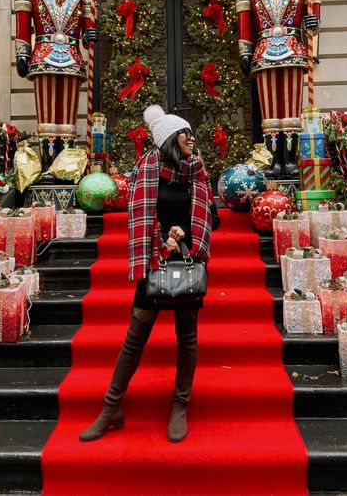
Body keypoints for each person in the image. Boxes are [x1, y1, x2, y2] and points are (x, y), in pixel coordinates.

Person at [79, 105, 219, 444]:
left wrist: (183, 234)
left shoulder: (197, 171)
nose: (192, 138)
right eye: (186, 133)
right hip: (155, 261)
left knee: (187, 337)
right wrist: (161, 240)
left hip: (185, 263)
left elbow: (212, 218)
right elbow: (138, 221)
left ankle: (180, 406)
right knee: (135, 334)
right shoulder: (146, 171)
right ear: (171, 138)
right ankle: (111, 407)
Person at [234, 0, 321, 177]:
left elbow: (314, 25)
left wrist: (313, 25)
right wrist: (245, 52)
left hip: (294, 49)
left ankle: (290, 159)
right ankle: (274, 160)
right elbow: (245, 28)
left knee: (292, 110)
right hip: (263, 53)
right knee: (270, 111)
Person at [14, 0, 97, 170]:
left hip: (72, 58)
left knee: (68, 118)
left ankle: (67, 166)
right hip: (43, 55)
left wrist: (90, 34)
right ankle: (49, 166)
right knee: (48, 117)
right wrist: (22, 53)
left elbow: (88, 30)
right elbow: (22, 28)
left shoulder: (83, 0)